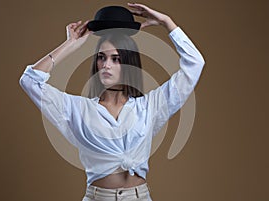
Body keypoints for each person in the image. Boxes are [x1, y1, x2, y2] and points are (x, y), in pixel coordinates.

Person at [19, 3, 205, 201]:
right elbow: (30, 80)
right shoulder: (78, 109)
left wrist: (167, 23)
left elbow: (195, 64)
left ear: (128, 63)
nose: (106, 65)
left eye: (116, 59)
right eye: (101, 58)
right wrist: (71, 44)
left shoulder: (149, 106)